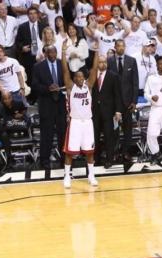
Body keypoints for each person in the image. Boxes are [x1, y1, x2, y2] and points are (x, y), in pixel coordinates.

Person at [61, 40, 99, 188]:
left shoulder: (88, 86)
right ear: (74, 78)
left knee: (89, 151)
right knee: (70, 152)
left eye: (81, 77)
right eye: (77, 76)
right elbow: (65, 70)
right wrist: (63, 52)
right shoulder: (71, 87)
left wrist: (96, 51)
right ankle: (67, 177)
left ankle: (91, 175)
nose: (79, 78)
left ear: (84, 78)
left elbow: (94, 69)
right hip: (75, 122)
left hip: (87, 122)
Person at [32, 44, 67, 170]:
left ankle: (65, 159)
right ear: (46, 54)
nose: (52, 55)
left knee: (63, 133)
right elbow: (35, 86)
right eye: (50, 53)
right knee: (47, 134)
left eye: (54, 52)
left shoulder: (62, 64)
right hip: (46, 105)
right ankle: (44, 160)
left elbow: (67, 81)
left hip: (61, 104)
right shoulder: (38, 67)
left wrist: (62, 88)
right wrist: (48, 88)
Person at [107, 39, 138, 158]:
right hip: (113, 101)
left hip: (128, 101)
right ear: (115, 47)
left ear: (125, 47)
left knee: (127, 128)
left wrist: (134, 101)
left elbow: (135, 82)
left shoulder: (132, 61)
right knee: (113, 129)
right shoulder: (109, 61)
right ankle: (114, 151)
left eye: (122, 46)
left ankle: (126, 151)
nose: (121, 48)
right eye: (118, 46)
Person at [92, 54, 123, 168]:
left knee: (109, 137)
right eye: (100, 62)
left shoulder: (113, 76)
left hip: (109, 112)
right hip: (94, 112)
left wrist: (118, 111)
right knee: (94, 136)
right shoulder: (91, 75)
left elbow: (118, 95)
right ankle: (96, 159)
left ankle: (109, 159)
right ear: (97, 63)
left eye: (105, 62)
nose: (103, 64)